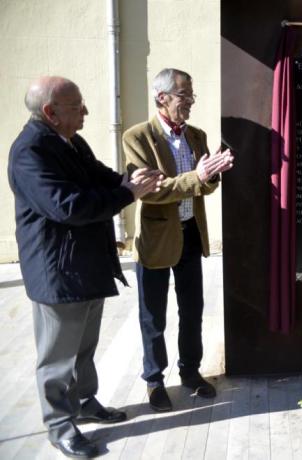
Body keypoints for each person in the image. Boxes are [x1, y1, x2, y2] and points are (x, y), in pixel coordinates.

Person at [8, 76, 162, 458]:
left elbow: (99, 177)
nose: (86, 112)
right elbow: (68, 206)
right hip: (57, 272)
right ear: (50, 113)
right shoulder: (30, 152)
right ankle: (60, 426)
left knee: (84, 348)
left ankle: (83, 402)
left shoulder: (71, 142)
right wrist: (127, 194)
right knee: (57, 356)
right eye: (77, 106)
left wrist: (130, 180)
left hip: (85, 266)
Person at [123, 68, 234, 412]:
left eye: (191, 97)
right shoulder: (138, 137)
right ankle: (155, 381)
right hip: (157, 239)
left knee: (193, 310)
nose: (190, 104)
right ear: (162, 98)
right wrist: (197, 176)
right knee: (153, 316)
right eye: (185, 97)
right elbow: (151, 191)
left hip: (190, 234)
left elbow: (204, 186)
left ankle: (190, 372)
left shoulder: (197, 136)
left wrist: (212, 175)